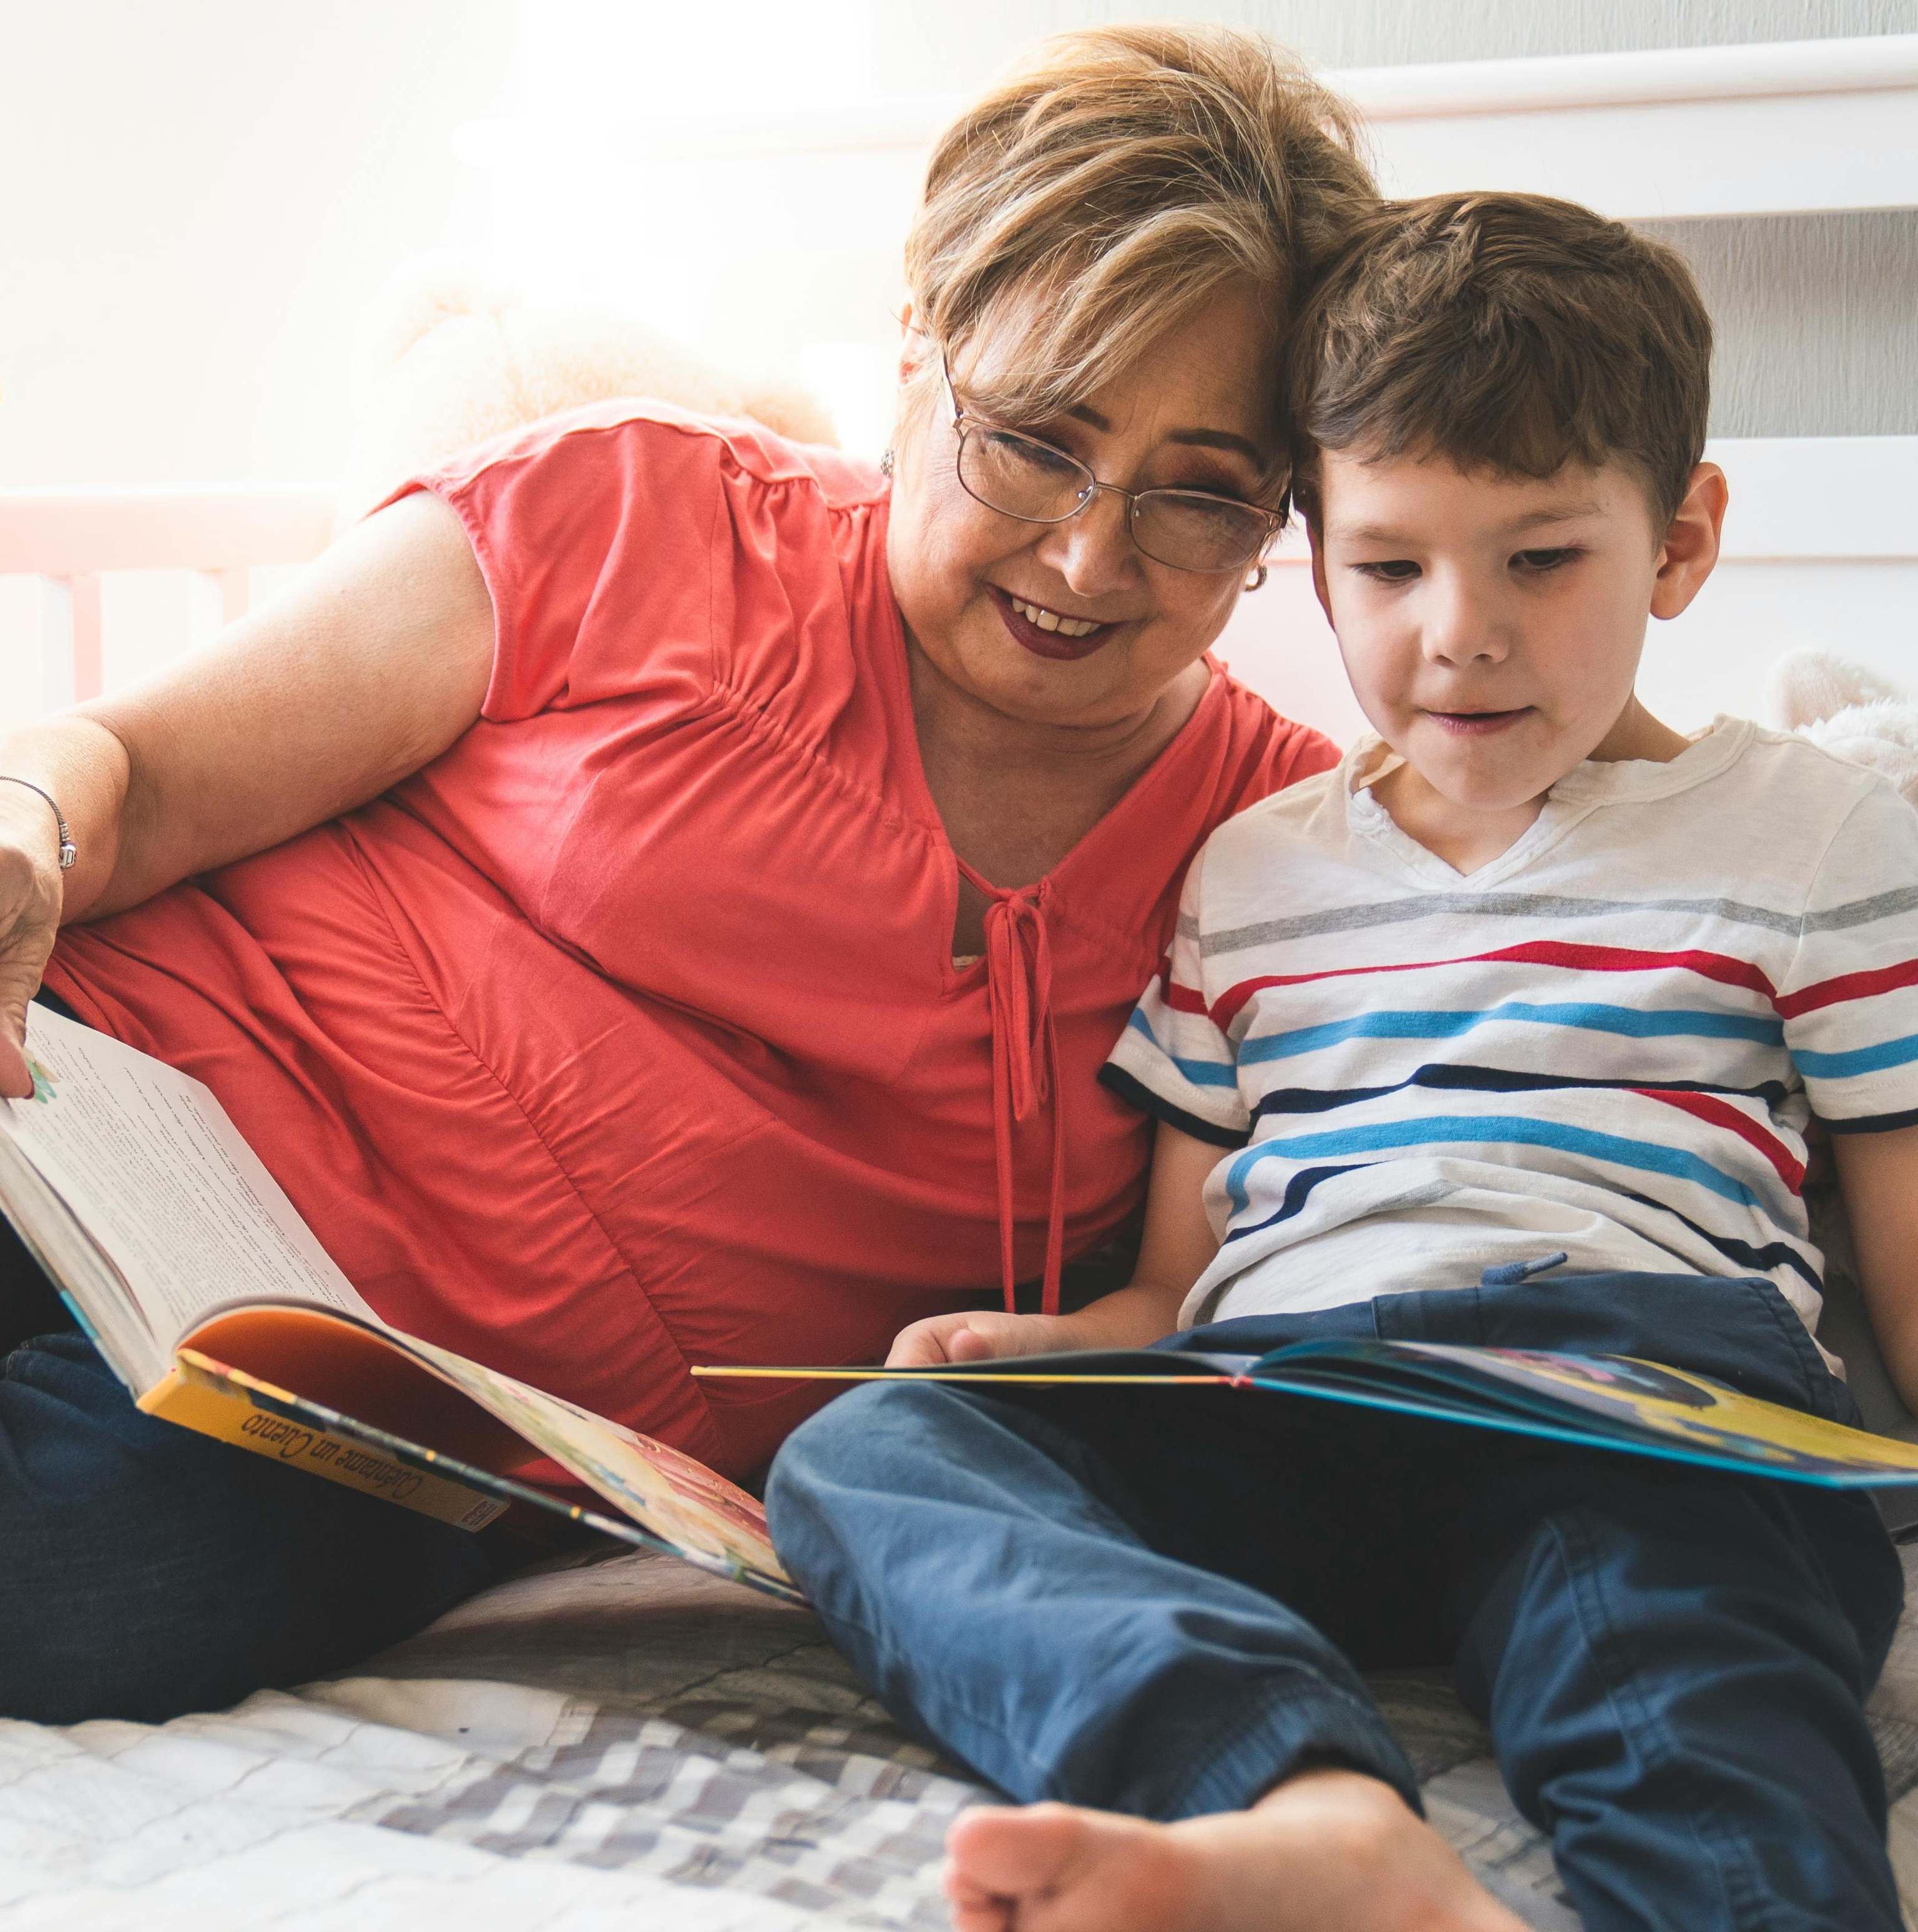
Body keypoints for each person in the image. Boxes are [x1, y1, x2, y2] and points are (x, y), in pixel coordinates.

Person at [766, 193, 1918, 1932]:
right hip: (1298, 1393)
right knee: (870, 1449)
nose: (1459, 634)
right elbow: (1180, 1289)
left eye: (1541, 561)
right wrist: (1046, 1355)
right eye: (1389, 565)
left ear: (1682, 543)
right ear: (1311, 548)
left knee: (1684, 1676)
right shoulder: (1253, 871)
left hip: (1630, 1398)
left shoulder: (1816, 834)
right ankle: (1305, 1807)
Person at [0, 26, 1377, 1727]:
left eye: (1203, 494)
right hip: (92, 1108)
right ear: (916, 356)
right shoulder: (635, 510)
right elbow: (127, 773)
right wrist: (26, 830)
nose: (1089, 553)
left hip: (402, 1430)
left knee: (105, 1581)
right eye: (1036, 440)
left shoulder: (1298, 855)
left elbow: (1637, 833)